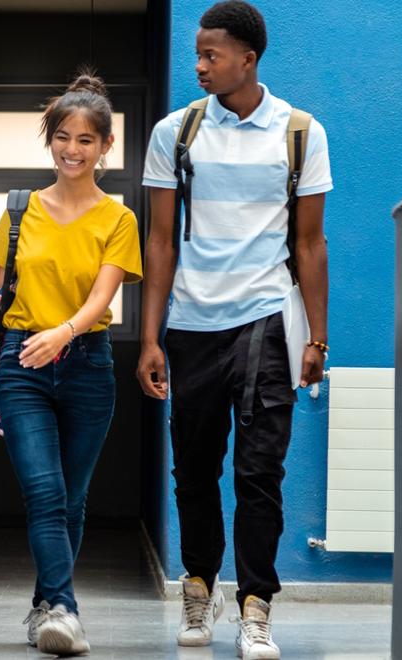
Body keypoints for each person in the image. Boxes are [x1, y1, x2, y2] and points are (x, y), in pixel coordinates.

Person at [136, 2, 332, 658]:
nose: (199, 64)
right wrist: (151, 337)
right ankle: (198, 584)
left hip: (268, 324)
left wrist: (317, 339)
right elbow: (159, 241)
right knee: (193, 471)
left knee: (259, 473)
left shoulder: (301, 133)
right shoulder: (176, 133)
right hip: (192, 325)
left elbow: (310, 245)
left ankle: (256, 606)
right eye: (196, 52)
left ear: (248, 59)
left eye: (211, 54)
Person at [0, 71, 143, 656]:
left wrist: (62, 334)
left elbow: (102, 300)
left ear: (106, 146)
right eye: (62, 136)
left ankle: (43, 605)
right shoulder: (18, 209)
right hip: (19, 362)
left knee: (71, 499)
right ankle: (64, 610)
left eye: (85, 139)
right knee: (43, 492)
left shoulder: (119, 219)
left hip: (87, 364)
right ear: (49, 139)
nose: (71, 149)